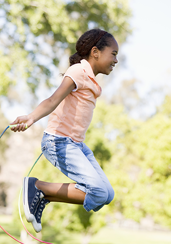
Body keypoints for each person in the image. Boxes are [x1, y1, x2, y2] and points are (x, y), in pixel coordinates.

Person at [11, 28, 119, 233]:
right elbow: (53, 99)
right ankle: (38, 187)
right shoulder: (79, 71)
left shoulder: (92, 80)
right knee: (96, 191)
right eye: (113, 54)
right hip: (58, 142)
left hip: (77, 145)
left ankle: (44, 194)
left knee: (107, 194)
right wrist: (31, 117)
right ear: (95, 52)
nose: (115, 60)